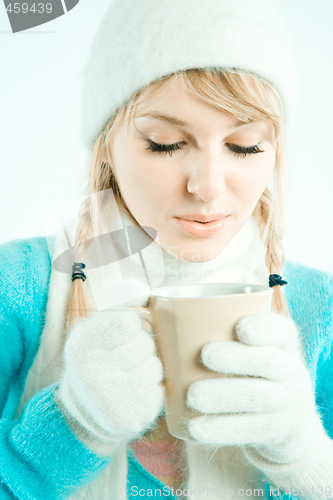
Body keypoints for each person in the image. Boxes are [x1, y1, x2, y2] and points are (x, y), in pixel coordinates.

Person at [0, 0, 332, 499]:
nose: (208, 187)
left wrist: (307, 459)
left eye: (244, 146)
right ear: (106, 142)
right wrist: (72, 425)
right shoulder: (17, 288)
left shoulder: (321, 309)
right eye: (165, 142)